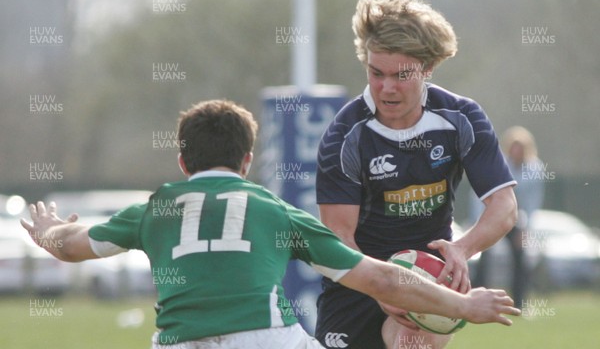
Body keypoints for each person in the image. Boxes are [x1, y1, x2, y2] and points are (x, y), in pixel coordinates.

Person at [21, 100, 520, 349]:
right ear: (246, 161)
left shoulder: (157, 209)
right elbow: (383, 278)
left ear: (181, 162)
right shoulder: (272, 210)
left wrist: (45, 227)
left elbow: (69, 246)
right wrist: (464, 304)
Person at [315, 0, 519, 349]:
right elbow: (338, 237)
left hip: (427, 277)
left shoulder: (460, 118)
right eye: (376, 73)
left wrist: (462, 249)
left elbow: (504, 206)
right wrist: (379, 286)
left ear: (427, 68)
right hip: (357, 281)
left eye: (401, 75)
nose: (386, 88)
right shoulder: (345, 135)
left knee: (413, 341)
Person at [471, 126, 544, 306]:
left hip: (516, 219)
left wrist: (526, 229)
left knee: (521, 258)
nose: (517, 151)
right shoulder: (498, 165)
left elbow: (532, 203)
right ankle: (477, 299)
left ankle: (519, 303)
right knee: (483, 256)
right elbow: (479, 195)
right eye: (514, 147)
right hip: (491, 216)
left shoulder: (535, 169)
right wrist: (477, 223)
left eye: (521, 147)